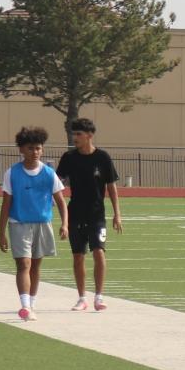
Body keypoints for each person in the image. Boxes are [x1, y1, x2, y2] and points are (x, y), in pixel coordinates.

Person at [0, 125, 69, 320]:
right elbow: (5, 204)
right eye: (30, 148)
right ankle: (25, 306)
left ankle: (32, 302)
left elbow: (61, 201)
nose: (35, 152)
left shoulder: (48, 173)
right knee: (24, 264)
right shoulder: (12, 173)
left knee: (36, 266)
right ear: (21, 150)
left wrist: (65, 224)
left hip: (43, 223)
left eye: (38, 148)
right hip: (19, 223)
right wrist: (1, 233)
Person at [56, 117, 122, 312]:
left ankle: (99, 297)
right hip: (75, 212)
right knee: (78, 256)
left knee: (99, 252)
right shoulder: (69, 158)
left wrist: (117, 214)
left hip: (97, 214)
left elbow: (111, 187)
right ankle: (82, 298)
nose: (74, 137)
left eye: (78, 134)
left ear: (90, 135)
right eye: (73, 133)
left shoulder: (102, 158)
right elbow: (56, 181)